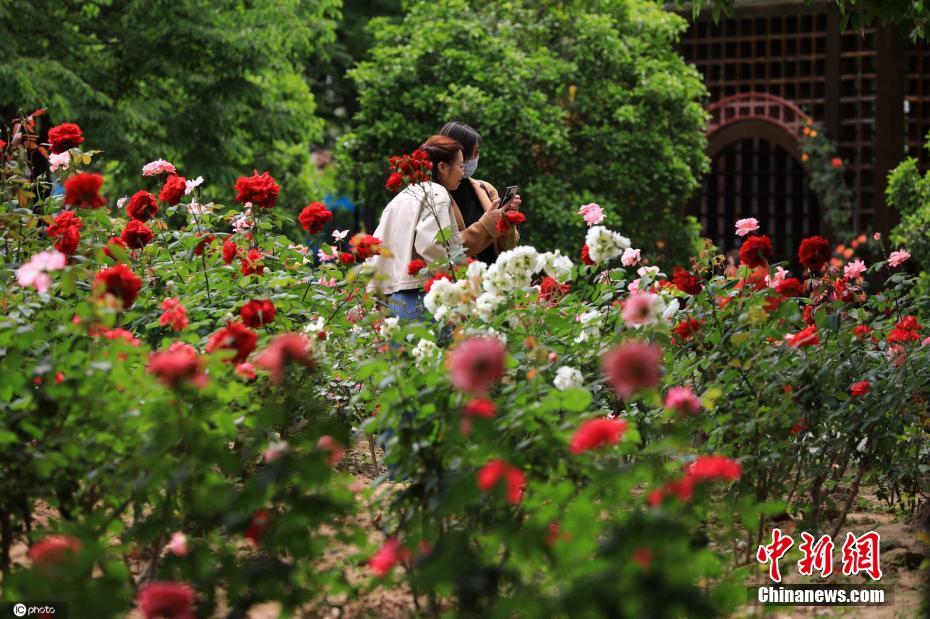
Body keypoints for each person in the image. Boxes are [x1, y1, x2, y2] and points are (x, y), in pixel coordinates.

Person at [369, 135, 514, 319]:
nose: (463, 172)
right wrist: (463, 282)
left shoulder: (401, 198)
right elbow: (434, 246)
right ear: (443, 168)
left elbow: (376, 248)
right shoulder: (437, 193)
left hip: (390, 300)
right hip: (421, 297)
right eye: (461, 166)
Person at [439, 121, 522, 264]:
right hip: (459, 283)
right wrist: (488, 222)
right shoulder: (436, 196)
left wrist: (507, 222)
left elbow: (508, 246)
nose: (477, 158)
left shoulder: (485, 189)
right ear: (459, 153)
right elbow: (450, 251)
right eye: (475, 152)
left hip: (492, 279)